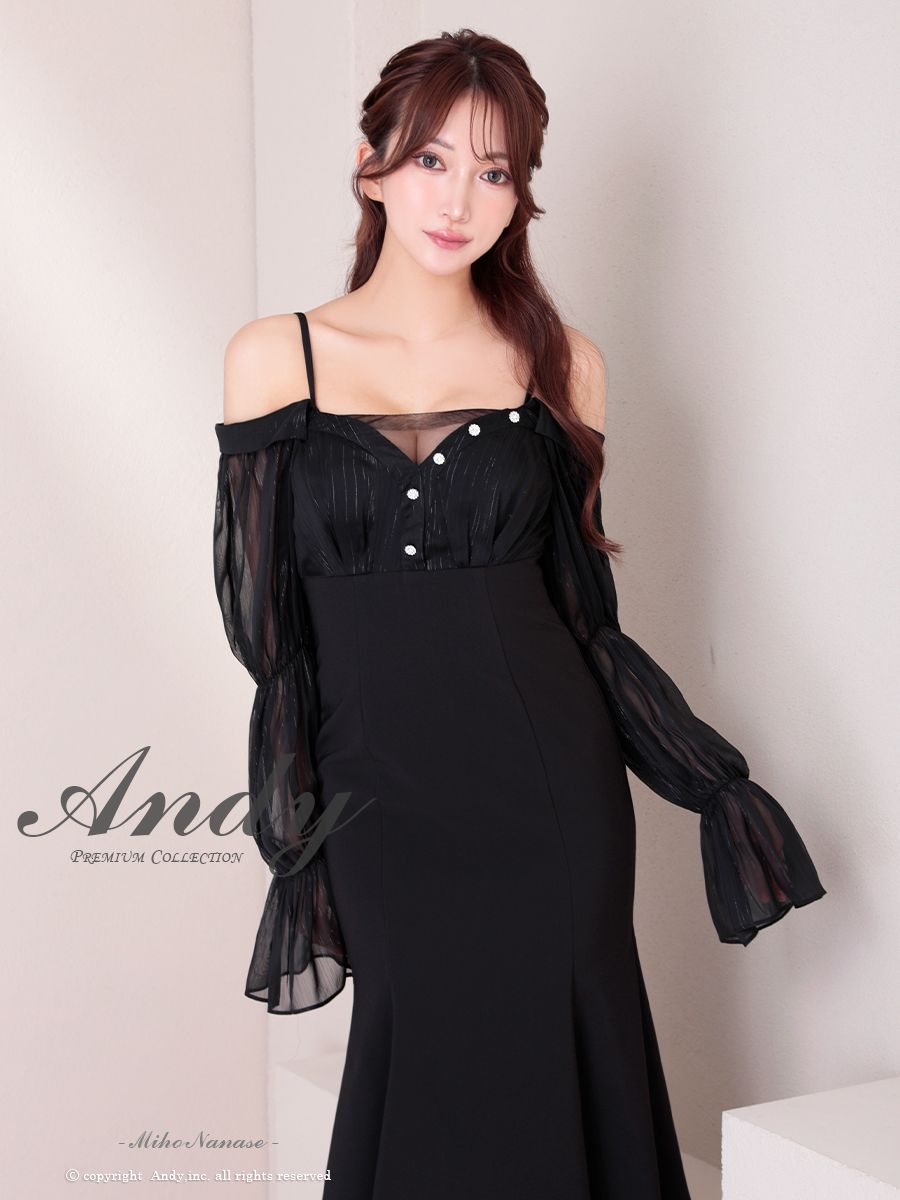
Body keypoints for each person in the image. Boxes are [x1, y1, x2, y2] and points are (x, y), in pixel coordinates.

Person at [212, 28, 826, 1200]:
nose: (459, 200)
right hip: (378, 794)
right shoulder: (275, 358)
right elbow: (269, 636)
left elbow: (587, 623)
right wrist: (298, 824)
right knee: (424, 1057)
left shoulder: (562, 364)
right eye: (432, 160)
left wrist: (710, 782)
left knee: (568, 1047)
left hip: (549, 788)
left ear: (521, 193)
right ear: (370, 167)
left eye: (494, 171)